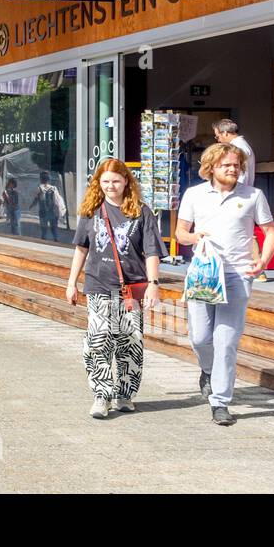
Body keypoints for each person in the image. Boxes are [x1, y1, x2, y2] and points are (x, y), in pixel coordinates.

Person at [176, 143, 274, 425]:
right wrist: (195, 238)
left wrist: (264, 260)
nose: (233, 169)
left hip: (237, 275)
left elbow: (270, 232)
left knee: (226, 341)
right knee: (199, 337)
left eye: (236, 165)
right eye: (226, 165)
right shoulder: (194, 194)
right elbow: (180, 232)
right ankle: (207, 370)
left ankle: (220, 401)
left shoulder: (253, 195)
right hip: (204, 273)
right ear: (211, 168)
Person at [66, 159, 161, 419]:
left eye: (116, 181)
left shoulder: (142, 212)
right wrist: (72, 282)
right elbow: (81, 249)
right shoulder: (91, 211)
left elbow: (152, 251)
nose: (111, 186)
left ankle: (125, 394)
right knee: (99, 340)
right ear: (98, 183)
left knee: (130, 342)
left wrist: (153, 285)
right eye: (105, 181)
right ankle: (101, 394)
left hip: (132, 289)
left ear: (126, 182)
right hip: (98, 285)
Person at [212, 119, 255, 187]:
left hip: (238, 190)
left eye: (217, 137)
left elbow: (241, 174)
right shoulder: (240, 144)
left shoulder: (237, 147)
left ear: (225, 133)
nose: (219, 141)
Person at [28, 171, 63, 241]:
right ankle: (56, 239)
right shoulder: (53, 188)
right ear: (48, 179)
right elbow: (57, 200)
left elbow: (36, 199)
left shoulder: (39, 188)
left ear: (41, 179)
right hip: (52, 211)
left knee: (44, 228)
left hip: (43, 211)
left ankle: (44, 240)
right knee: (54, 227)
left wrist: (31, 206)